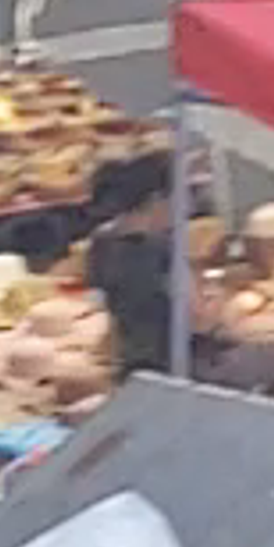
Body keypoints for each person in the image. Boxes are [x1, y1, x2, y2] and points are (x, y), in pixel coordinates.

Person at [85, 149, 179, 386]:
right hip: (167, 361)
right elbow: (194, 314)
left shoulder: (101, 240)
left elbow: (103, 300)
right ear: (157, 199)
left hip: (127, 355)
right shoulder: (159, 248)